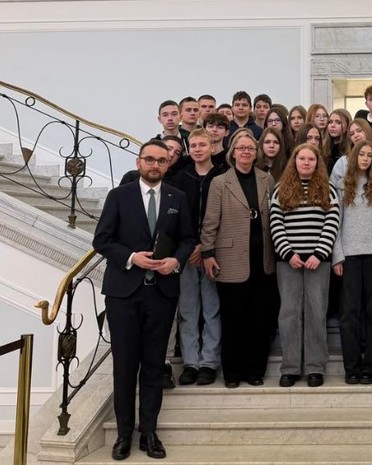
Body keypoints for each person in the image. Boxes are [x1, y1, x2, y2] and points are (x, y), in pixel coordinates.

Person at [93, 139, 195, 460]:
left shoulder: (177, 197)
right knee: (124, 366)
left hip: (162, 294)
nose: (155, 165)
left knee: (153, 365)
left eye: (161, 161)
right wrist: (131, 258)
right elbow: (102, 240)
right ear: (138, 162)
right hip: (123, 294)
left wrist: (176, 261)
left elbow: (188, 238)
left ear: (168, 164)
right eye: (149, 159)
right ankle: (124, 434)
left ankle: (149, 432)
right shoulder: (118, 196)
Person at [200, 128, 278, 389]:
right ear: (233, 153)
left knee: (259, 319)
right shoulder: (220, 182)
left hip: (263, 259)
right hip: (230, 258)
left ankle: (255, 371)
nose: (246, 152)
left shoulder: (267, 179)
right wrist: (207, 253)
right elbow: (210, 221)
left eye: (250, 148)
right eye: (241, 148)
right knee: (233, 319)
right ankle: (232, 373)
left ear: (256, 153)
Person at [270, 143, 340, 388]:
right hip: (288, 261)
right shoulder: (281, 189)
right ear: (295, 161)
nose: (307, 163)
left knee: (316, 312)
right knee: (289, 313)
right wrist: (288, 253)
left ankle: (315, 367)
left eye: (311, 159)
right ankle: (290, 367)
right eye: (302, 159)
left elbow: (332, 222)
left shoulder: (328, 189)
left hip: (317, 261)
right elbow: (275, 222)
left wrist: (319, 254)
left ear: (317, 163)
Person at [332, 140, 372, 384]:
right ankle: (352, 367)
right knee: (349, 313)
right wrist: (337, 255)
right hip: (349, 255)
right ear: (354, 157)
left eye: (370, 155)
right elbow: (335, 222)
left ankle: (371, 366)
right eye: (362, 154)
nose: (366, 158)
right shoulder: (341, 184)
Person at [172, 129, 227, 386]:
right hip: (187, 254)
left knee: (212, 308)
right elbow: (176, 218)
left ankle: (209, 362)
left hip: (213, 254)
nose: (197, 149)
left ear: (212, 147)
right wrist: (191, 246)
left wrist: (206, 247)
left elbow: (225, 218)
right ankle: (191, 363)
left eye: (202, 145)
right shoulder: (180, 178)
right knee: (188, 309)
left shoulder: (223, 176)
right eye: (193, 145)